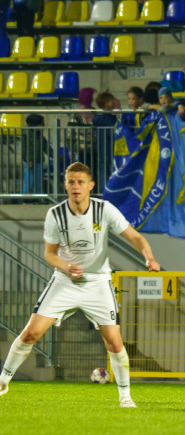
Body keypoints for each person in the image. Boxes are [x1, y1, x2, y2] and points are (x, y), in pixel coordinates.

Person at [0, 162, 162, 407]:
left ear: (90, 185)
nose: (76, 187)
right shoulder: (55, 213)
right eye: (71, 182)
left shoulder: (104, 210)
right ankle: (3, 381)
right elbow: (49, 254)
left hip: (98, 284)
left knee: (114, 342)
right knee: (31, 333)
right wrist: (66, 267)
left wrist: (149, 256)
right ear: (65, 185)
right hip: (64, 282)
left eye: (81, 182)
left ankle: (125, 397)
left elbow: (135, 237)